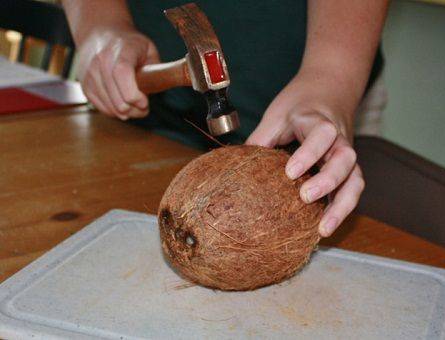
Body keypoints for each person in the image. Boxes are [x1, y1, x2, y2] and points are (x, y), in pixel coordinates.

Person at [62, 0, 388, 238]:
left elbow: (334, 78)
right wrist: (99, 26)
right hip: (141, 125)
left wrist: (332, 79)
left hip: (315, 116)